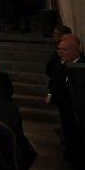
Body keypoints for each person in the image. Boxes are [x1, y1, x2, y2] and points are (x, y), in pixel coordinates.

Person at [48, 33, 83, 165]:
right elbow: (54, 82)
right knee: (69, 137)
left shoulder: (81, 65)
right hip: (65, 108)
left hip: (78, 110)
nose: (60, 53)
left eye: (64, 50)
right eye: (59, 49)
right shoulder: (61, 65)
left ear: (74, 50)